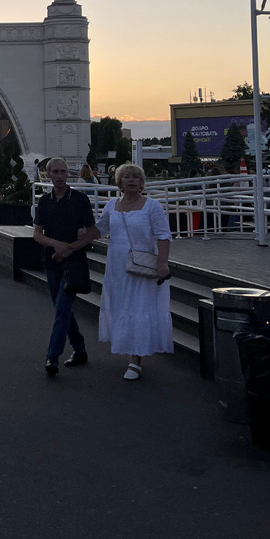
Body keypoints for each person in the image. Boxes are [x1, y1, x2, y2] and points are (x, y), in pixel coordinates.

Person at [92, 162, 172, 381]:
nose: (130, 181)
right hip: (117, 267)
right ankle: (129, 349)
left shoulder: (152, 206)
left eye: (135, 177)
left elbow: (163, 235)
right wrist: (79, 234)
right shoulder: (111, 205)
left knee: (138, 308)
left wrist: (162, 263)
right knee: (122, 308)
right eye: (126, 177)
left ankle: (136, 360)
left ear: (141, 183)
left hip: (141, 266)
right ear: (119, 183)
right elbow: (101, 228)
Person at [32, 156, 99, 377]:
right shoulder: (44, 201)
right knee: (63, 310)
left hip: (73, 264)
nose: (60, 176)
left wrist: (69, 248)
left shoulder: (80, 200)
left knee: (61, 310)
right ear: (48, 175)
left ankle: (52, 357)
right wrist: (56, 244)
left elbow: (92, 232)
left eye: (63, 172)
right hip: (51, 263)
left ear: (68, 174)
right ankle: (79, 349)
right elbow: (37, 234)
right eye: (55, 172)